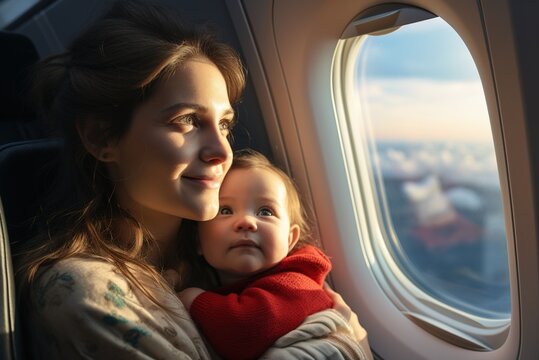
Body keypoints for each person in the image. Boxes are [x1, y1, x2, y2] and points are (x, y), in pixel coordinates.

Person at [14, 1, 369, 359]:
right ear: (101, 137)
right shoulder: (85, 292)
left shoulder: (221, 253)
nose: (221, 151)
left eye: (225, 124)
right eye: (186, 121)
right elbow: (344, 326)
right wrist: (347, 341)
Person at [177, 149, 372, 360]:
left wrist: (194, 299)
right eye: (225, 210)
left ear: (290, 239)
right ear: (198, 241)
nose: (247, 222)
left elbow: (244, 331)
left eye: (265, 212)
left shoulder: (297, 282)